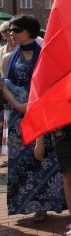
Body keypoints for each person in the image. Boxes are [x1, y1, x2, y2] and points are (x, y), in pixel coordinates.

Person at [2, 15, 64, 222]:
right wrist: (17, 104)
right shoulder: (7, 58)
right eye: (10, 30)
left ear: (29, 31)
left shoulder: (46, 56)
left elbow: (50, 89)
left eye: (16, 30)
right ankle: (23, 203)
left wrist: (32, 106)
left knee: (43, 160)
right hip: (18, 120)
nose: (11, 33)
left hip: (42, 116)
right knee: (20, 163)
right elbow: (5, 85)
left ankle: (43, 206)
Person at [0, 20, 16, 167]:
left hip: (19, 95)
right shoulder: (2, 51)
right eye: (4, 31)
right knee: (7, 127)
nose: (7, 34)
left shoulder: (21, 49)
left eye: (9, 30)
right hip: (7, 95)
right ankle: (11, 155)